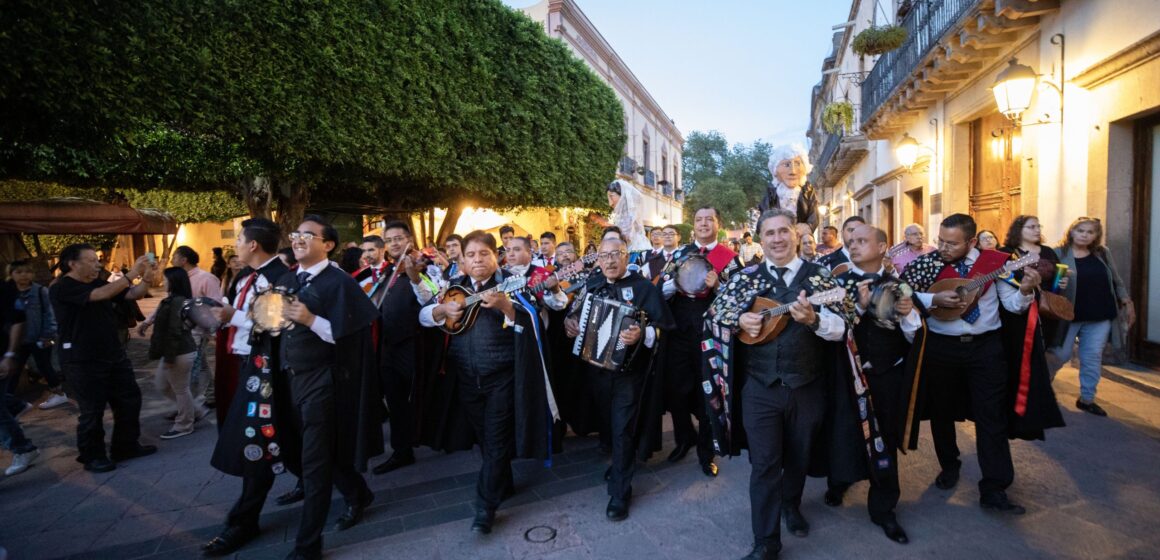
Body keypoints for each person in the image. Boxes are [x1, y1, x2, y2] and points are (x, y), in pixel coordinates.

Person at [701, 208, 846, 560]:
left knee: (799, 455)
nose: (778, 238)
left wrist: (814, 320)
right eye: (770, 233)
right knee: (765, 463)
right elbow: (715, 316)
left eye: (784, 231)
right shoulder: (744, 278)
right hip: (760, 387)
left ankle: (791, 505)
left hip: (807, 384)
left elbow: (844, 327)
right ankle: (765, 541)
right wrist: (740, 321)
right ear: (761, 239)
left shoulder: (821, 278)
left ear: (796, 236)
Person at [899, 213, 1053, 515]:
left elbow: (1012, 305)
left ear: (971, 241)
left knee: (991, 416)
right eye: (941, 239)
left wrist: (1024, 291)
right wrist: (932, 300)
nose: (943, 247)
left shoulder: (996, 263)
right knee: (941, 413)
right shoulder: (925, 263)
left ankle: (995, 487)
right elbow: (900, 293)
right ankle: (949, 466)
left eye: (952, 243)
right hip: (941, 349)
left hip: (985, 349)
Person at [418, 231, 557, 534]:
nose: (478, 260)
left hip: (502, 378)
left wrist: (507, 307)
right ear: (463, 261)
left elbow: (537, 320)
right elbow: (425, 315)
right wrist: (442, 310)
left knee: (495, 441)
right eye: (471, 255)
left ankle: (485, 508)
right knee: (485, 439)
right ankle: (502, 484)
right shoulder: (453, 288)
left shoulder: (512, 284)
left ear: (497, 257)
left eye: (484, 254)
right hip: (466, 379)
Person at [274, 216, 381, 558]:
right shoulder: (290, 278)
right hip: (294, 377)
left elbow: (350, 337)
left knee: (315, 463)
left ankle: (307, 545)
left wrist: (309, 319)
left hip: (326, 381)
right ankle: (358, 494)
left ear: (329, 244)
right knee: (321, 453)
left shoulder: (340, 283)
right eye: (296, 234)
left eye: (308, 235)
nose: (299, 240)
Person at [203, 218, 301, 557]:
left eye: (239, 240)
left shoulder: (281, 278)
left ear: (253, 245)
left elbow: (277, 326)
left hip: (270, 375)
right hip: (252, 367)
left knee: (256, 443)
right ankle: (352, 491)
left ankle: (243, 521)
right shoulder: (249, 277)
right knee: (291, 440)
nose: (236, 246)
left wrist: (233, 315)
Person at [563, 238, 674, 521]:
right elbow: (574, 315)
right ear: (597, 259)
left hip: (629, 372)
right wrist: (570, 324)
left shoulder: (643, 288)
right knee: (609, 425)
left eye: (616, 254)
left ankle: (620, 492)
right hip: (596, 371)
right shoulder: (592, 285)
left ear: (626, 257)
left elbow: (664, 328)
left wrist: (642, 333)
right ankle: (620, 463)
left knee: (622, 427)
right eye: (604, 255)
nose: (610, 261)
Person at [822, 225, 919, 545]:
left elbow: (913, 337)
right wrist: (860, 307)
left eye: (862, 241)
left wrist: (907, 315)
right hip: (846, 375)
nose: (854, 245)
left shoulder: (899, 286)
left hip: (886, 375)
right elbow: (830, 329)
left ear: (882, 247)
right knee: (842, 432)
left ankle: (884, 508)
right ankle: (838, 482)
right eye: (851, 242)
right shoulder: (835, 285)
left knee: (885, 440)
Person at [49, 245, 157, 473]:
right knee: (92, 409)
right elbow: (99, 296)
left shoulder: (98, 281)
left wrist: (146, 277)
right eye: (91, 260)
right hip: (81, 358)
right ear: (73, 264)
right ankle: (92, 455)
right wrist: (131, 273)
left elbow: (132, 294)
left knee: (129, 399)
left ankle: (125, 446)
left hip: (113, 353)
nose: (98, 264)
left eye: (97, 260)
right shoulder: (62, 287)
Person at [661, 207, 743, 478]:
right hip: (679, 329)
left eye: (710, 219)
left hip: (711, 333)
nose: (704, 223)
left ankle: (706, 452)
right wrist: (671, 285)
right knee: (675, 389)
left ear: (718, 224)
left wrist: (719, 286)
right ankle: (685, 437)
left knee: (708, 392)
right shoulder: (680, 254)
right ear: (693, 225)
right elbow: (661, 287)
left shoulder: (730, 259)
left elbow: (741, 299)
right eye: (699, 219)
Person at [1048, 217, 1134, 417]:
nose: (1085, 235)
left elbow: (1116, 279)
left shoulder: (1102, 253)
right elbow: (1049, 283)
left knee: (1092, 356)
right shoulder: (1058, 253)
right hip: (1067, 315)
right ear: (1072, 232)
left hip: (1099, 315)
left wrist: (1126, 301)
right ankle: (1043, 387)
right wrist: (1057, 284)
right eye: (1081, 231)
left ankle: (1087, 398)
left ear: (1096, 235)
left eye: (1090, 232)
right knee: (1059, 354)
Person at [369, 222, 424, 475]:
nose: (394, 243)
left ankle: (424, 436)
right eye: (389, 239)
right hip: (388, 345)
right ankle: (402, 450)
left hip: (414, 343)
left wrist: (417, 276)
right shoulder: (388, 271)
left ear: (409, 240)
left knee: (417, 396)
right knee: (395, 400)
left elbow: (432, 296)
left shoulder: (423, 265)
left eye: (398, 238)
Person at [140, 267, 209, 439]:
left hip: (179, 352)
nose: (163, 282)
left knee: (180, 389)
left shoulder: (178, 302)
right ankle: (195, 410)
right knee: (163, 385)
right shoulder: (172, 300)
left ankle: (184, 424)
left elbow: (174, 332)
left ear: (174, 282)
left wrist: (170, 357)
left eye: (166, 279)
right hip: (175, 352)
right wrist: (147, 323)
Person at [164, 246, 224, 407]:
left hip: (198, 331)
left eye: (174, 257)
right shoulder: (178, 278)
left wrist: (211, 329)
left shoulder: (207, 278)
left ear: (184, 260)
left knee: (191, 369)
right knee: (200, 364)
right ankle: (212, 395)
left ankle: (189, 409)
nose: (172, 260)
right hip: (182, 331)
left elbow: (215, 304)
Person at [5, 261, 66, 410]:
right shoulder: (7, 292)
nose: (23, 275)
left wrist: (48, 335)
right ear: (11, 274)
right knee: (14, 369)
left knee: (44, 366)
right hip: (16, 339)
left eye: (27, 272)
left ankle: (58, 394)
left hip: (39, 337)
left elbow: (49, 314)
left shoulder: (40, 291)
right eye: (19, 272)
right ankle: (9, 401)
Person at [1, 279, 39, 476]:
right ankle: (15, 405)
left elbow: (17, 321)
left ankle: (23, 449)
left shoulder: (5, 289)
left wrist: (9, 355)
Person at [758, 144, 819, 229]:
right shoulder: (771, 192)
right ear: (775, 170)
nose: (793, 171)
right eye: (786, 165)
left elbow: (814, 216)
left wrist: (808, 227)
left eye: (798, 164)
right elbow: (764, 216)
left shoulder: (808, 190)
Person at [605, 179, 651, 252]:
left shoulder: (630, 215)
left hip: (634, 250)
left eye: (611, 196)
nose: (610, 203)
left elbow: (626, 237)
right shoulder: (622, 215)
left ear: (622, 195)